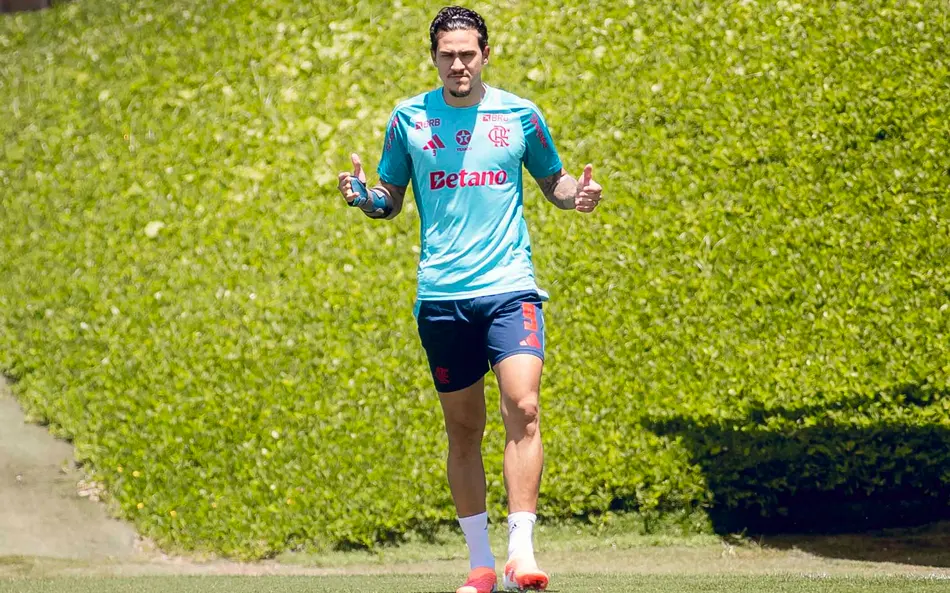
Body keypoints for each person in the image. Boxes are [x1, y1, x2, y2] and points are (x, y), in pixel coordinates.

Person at [336, 6, 602, 592]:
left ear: (486, 54)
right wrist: (363, 197)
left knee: (523, 406)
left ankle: (521, 554)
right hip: (442, 296)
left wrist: (576, 196)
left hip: (510, 287)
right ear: (434, 57)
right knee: (463, 428)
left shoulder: (520, 115)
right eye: (448, 55)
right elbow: (390, 197)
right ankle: (481, 564)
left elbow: (554, 181)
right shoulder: (408, 119)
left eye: (468, 54)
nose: (458, 64)